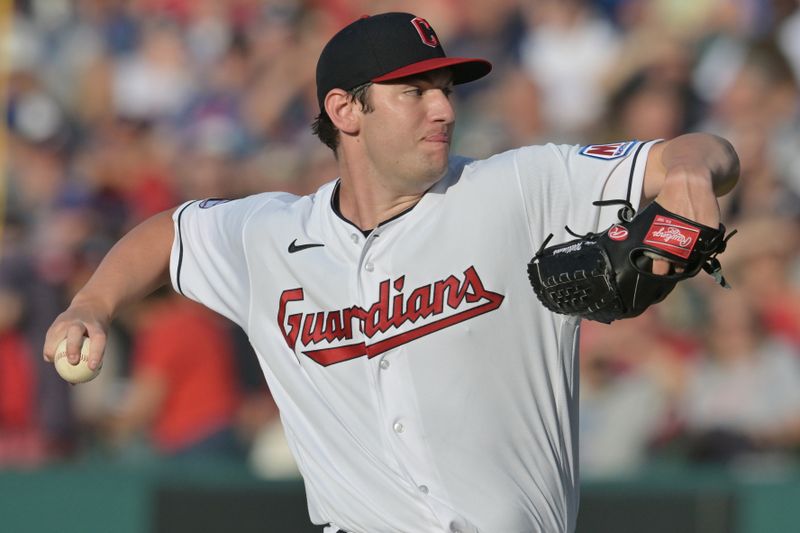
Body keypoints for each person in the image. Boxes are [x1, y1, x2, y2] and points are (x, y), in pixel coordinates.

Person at [44, 12, 739, 533]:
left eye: (446, 88)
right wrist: (91, 303)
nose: (443, 107)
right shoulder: (272, 235)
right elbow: (169, 231)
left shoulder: (519, 186)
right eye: (414, 91)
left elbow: (705, 150)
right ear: (345, 110)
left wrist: (686, 168)